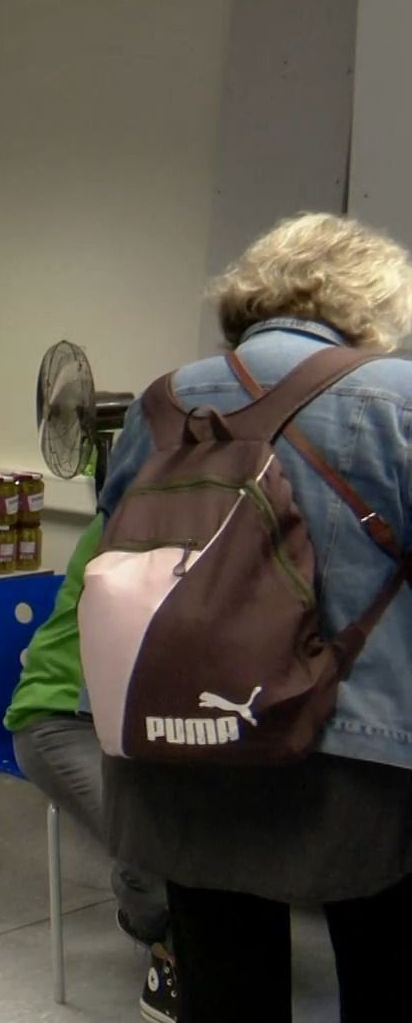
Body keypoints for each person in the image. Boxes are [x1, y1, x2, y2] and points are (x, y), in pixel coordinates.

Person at [94, 213, 412, 1020]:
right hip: (358, 760)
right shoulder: (399, 400)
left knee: (226, 984)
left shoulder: (164, 399)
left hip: (181, 740)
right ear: (372, 301)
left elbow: (120, 546)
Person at [6, 514, 178, 1022]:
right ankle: (164, 948)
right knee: (146, 835)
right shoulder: (131, 520)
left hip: (155, 718)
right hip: (63, 717)